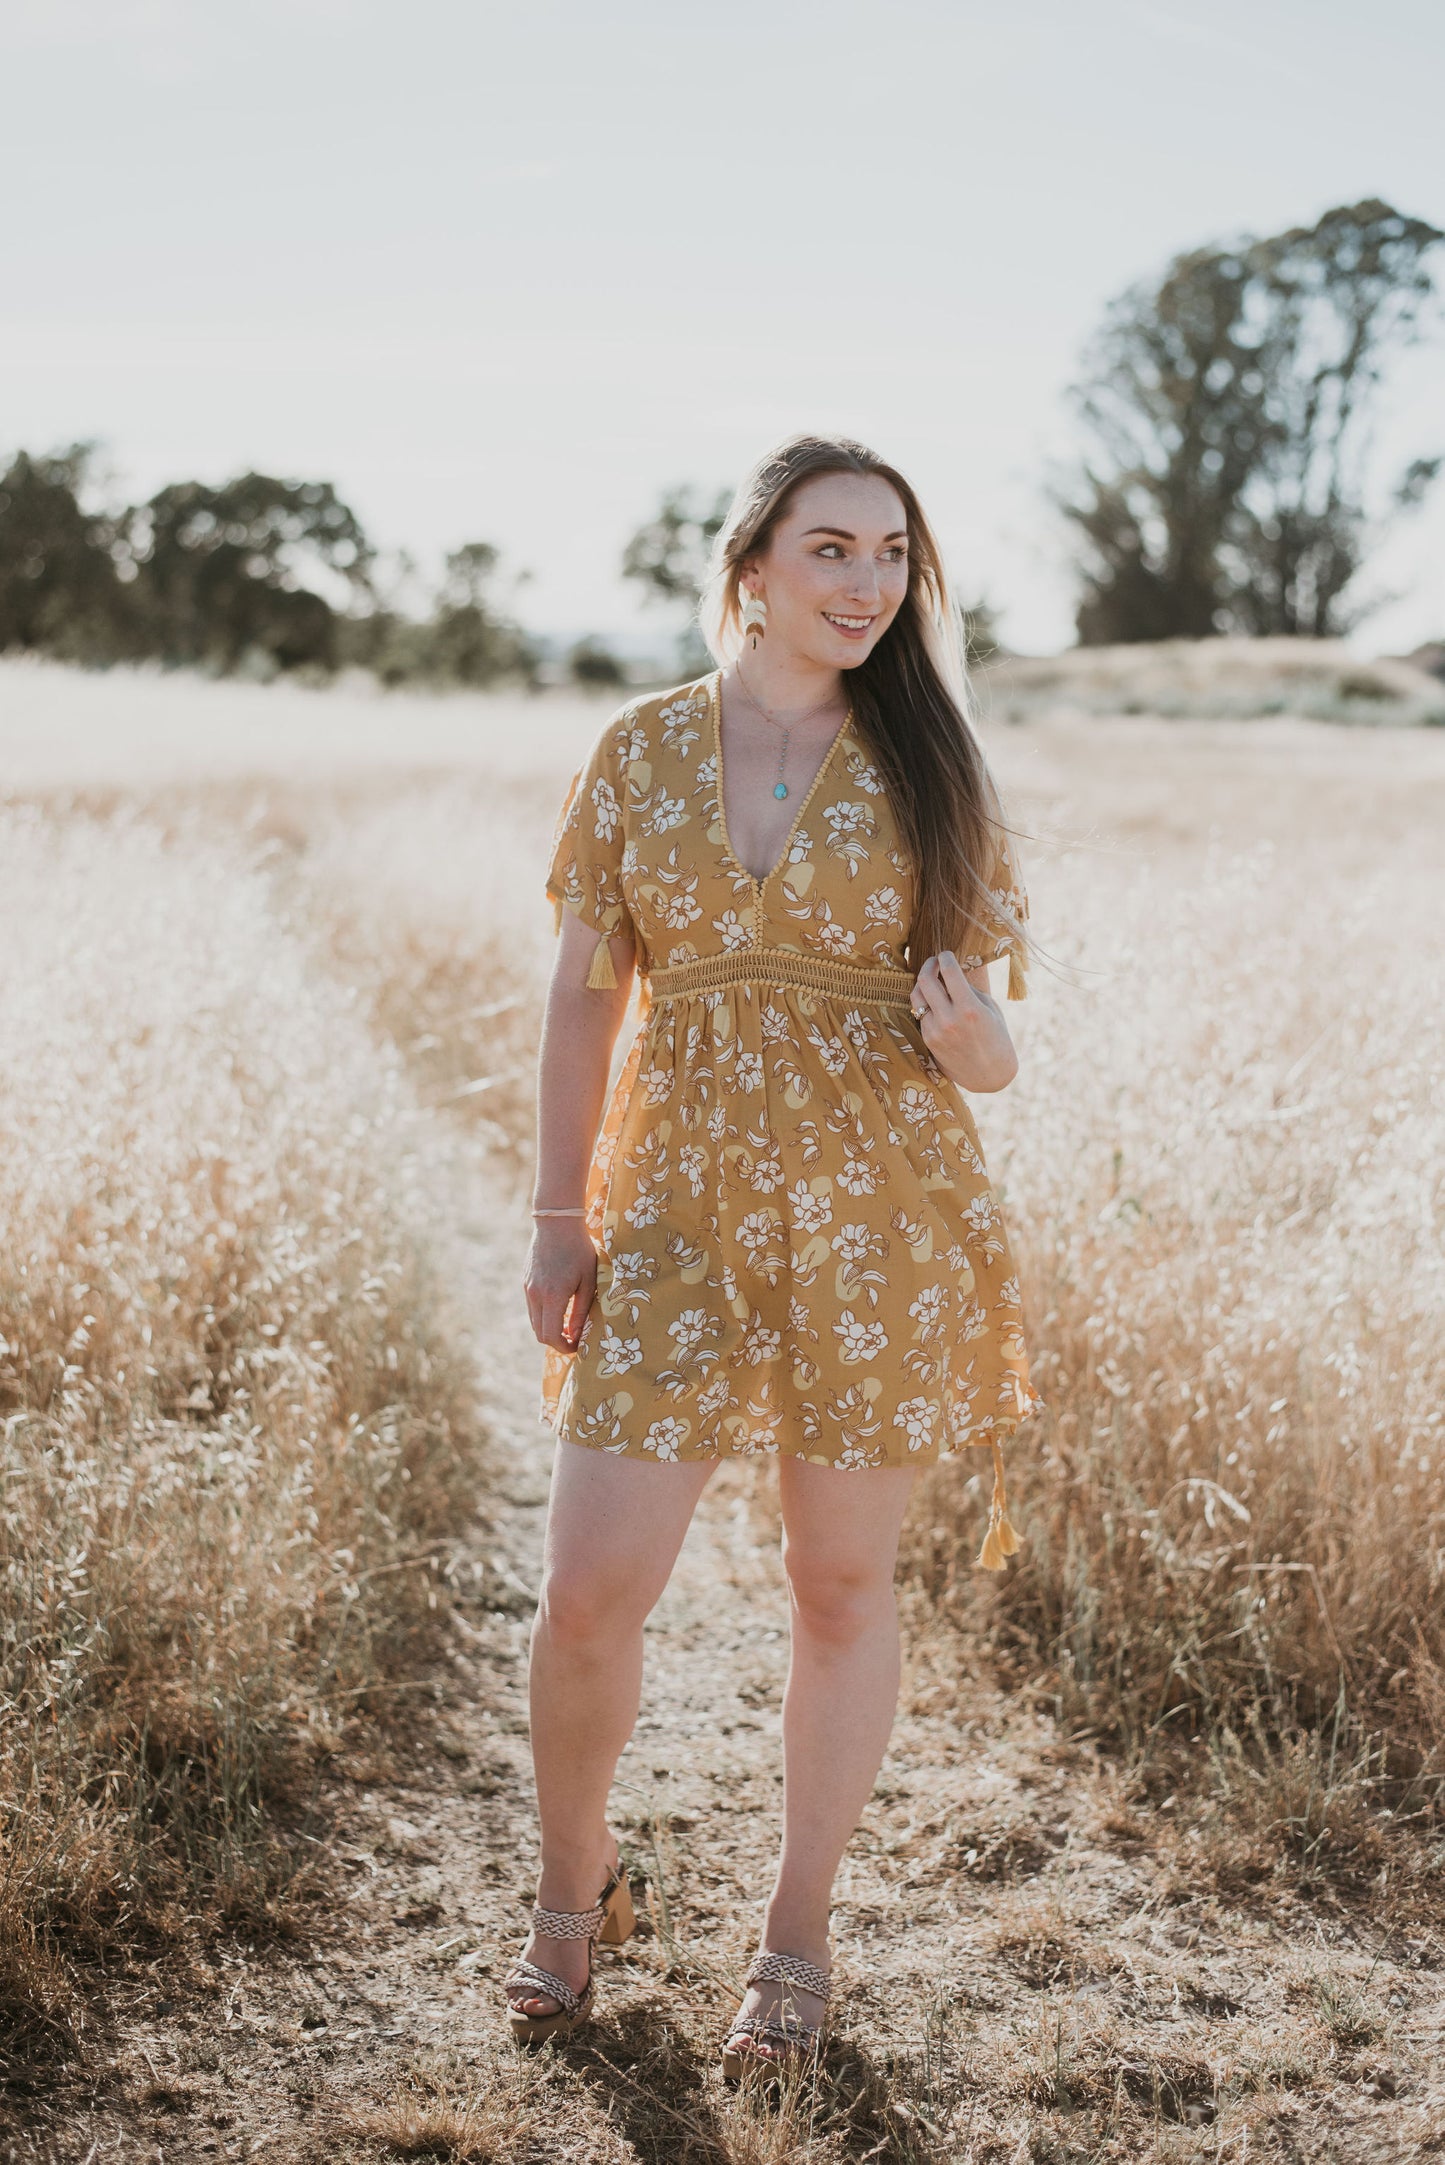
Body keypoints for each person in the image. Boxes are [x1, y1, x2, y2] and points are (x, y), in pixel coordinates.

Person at [505, 433, 1042, 2075]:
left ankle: (795, 1932)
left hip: (879, 1221)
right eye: (831, 549)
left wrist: (979, 1054)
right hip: (673, 1217)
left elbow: (993, 1041)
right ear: (751, 569)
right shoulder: (642, 750)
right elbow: (588, 992)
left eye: (892, 554)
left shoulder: (934, 763)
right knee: (589, 1590)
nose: (868, 581)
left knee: (837, 1581)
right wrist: (554, 1211)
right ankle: (567, 1888)